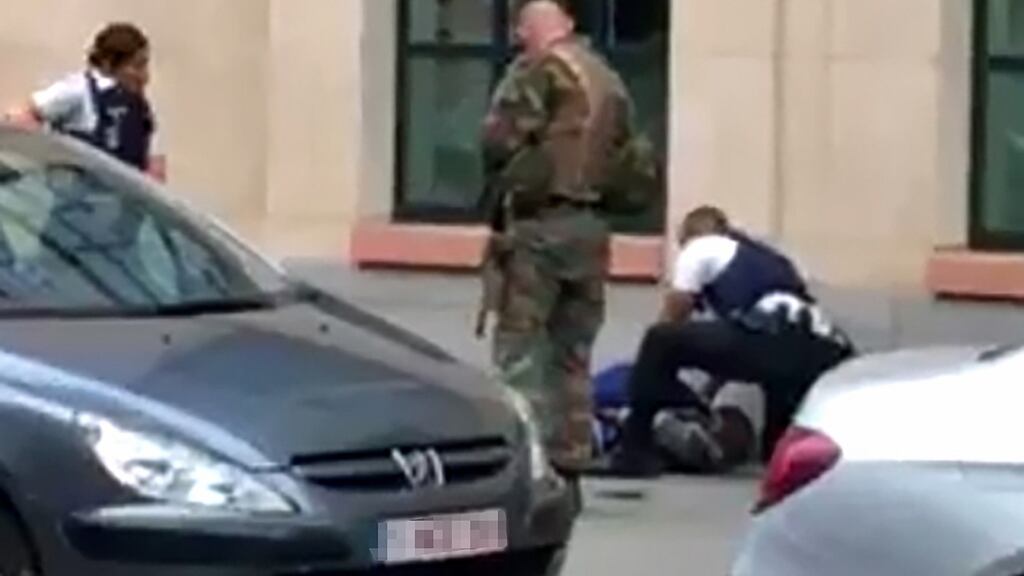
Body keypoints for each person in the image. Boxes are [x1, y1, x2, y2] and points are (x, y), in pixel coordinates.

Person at [476, 0, 652, 499]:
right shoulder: (608, 79)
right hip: (591, 231)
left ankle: (528, 466)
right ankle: (571, 462)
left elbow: (498, 141)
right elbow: (632, 162)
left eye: (525, 26)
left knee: (521, 351)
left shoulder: (538, 72)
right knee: (574, 355)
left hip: (540, 229)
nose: (518, 37)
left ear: (545, 26)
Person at [597, 206, 856, 478]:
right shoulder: (770, 260)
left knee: (659, 340)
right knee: (777, 442)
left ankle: (635, 452)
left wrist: (649, 376)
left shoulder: (702, 247)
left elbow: (673, 316)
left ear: (691, 235)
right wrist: (707, 392)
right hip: (820, 348)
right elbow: (738, 346)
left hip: (771, 336)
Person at [4, 22, 156, 173]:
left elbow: (151, 162)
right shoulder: (78, 90)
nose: (144, 76)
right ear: (108, 64)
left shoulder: (138, 106)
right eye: (136, 66)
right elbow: (21, 115)